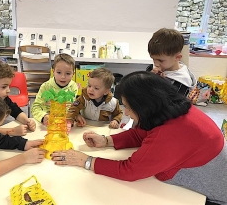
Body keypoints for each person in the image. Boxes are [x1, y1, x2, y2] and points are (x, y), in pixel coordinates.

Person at [51, 71, 227, 205]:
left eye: (128, 107)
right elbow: (141, 132)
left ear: (144, 105)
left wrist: (86, 161)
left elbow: (130, 170)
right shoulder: (167, 109)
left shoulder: (170, 132)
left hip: (215, 189)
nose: (126, 112)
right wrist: (107, 140)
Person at [147, 28, 197, 96]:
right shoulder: (153, 68)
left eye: (160, 60)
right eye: (153, 59)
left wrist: (161, 85)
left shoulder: (182, 82)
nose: (156, 64)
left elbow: (174, 104)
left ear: (177, 57)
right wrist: (149, 78)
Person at [31, 53, 78, 126]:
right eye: (59, 72)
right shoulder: (45, 86)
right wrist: (44, 116)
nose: (63, 77)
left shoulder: (73, 87)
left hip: (65, 124)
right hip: (48, 124)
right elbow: (36, 107)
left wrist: (75, 116)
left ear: (73, 74)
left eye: (68, 73)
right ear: (53, 72)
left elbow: (73, 107)